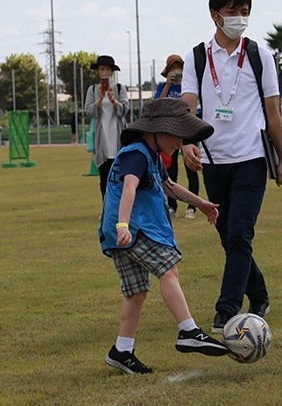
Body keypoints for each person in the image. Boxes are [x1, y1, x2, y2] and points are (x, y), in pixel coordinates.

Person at [180, 0, 282, 332]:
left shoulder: (261, 55)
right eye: (232, 12)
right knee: (229, 237)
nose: (240, 19)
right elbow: (188, 108)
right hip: (213, 161)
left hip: (252, 159)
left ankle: (226, 309)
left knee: (241, 234)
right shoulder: (197, 57)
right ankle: (259, 294)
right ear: (215, 15)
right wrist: (186, 143)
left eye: (245, 13)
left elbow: (273, 112)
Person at [100, 98, 230, 374]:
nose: (180, 141)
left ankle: (121, 351)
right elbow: (129, 189)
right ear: (156, 130)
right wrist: (123, 225)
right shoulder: (135, 154)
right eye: (177, 134)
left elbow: (170, 185)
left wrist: (202, 203)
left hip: (120, 233)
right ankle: (188, 331)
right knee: (168, 269)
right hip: (132, 229)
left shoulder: (152, 156)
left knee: (136, 292)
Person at [154, 54, 201, 219]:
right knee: (170, 170)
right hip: (170, 132)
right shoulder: (163, 87)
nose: (177, 73)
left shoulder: (189, 86)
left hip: (188, 130)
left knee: (191, 168)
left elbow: (194, 105)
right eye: (173, 70)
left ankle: (192, 207)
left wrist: (184, 84)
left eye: (179, 69)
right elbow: (157, 105)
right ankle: (171, 205)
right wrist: (168, 85)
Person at [84, 55, 130, 200]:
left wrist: (113, 99)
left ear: (112, 72)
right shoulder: (92, 90)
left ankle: (121, 208)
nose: (104, 72)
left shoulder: (119, 88)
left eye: (107, 69)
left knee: (120, 176)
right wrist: (99, 100)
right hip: (101, 138)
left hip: (117, 136)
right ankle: (107, 209)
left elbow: (124, 110)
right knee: (104, 176)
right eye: (102, 69)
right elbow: (88, 111)